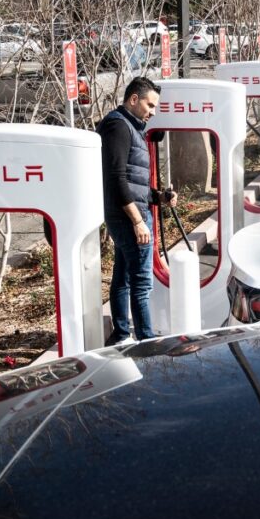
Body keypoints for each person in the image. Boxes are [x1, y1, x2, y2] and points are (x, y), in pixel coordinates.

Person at [98, 76, 177, 346]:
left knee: (123, 276)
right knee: (142, 283)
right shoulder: (118, 127)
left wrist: (159, 197)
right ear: (134, 99)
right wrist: (137, 221)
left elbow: (133, 181)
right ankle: (146, 341)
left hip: (131, 212)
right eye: (150, 105)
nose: (153, 112)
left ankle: (121, 334)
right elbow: (116, 178)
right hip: (128, 216)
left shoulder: (130, 127)